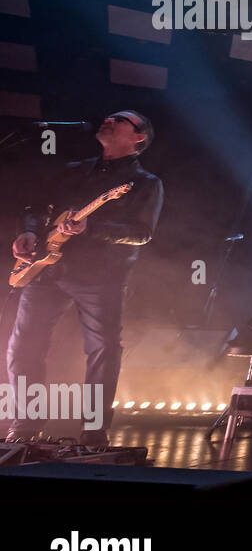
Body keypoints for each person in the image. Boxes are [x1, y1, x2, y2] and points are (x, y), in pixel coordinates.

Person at [6, 111, 163, 446]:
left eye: (120, 120)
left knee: (103, 349)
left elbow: (142, 233)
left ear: (139, 137)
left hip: (100, 275)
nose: (108, 120)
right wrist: (30, 232)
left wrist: (94, 227)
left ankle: (94, 430)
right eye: (108, 117)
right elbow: (37, 207)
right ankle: (25, 426)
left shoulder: (144, 182)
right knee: (23, 346)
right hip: (48, 267)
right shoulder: (73, 171)